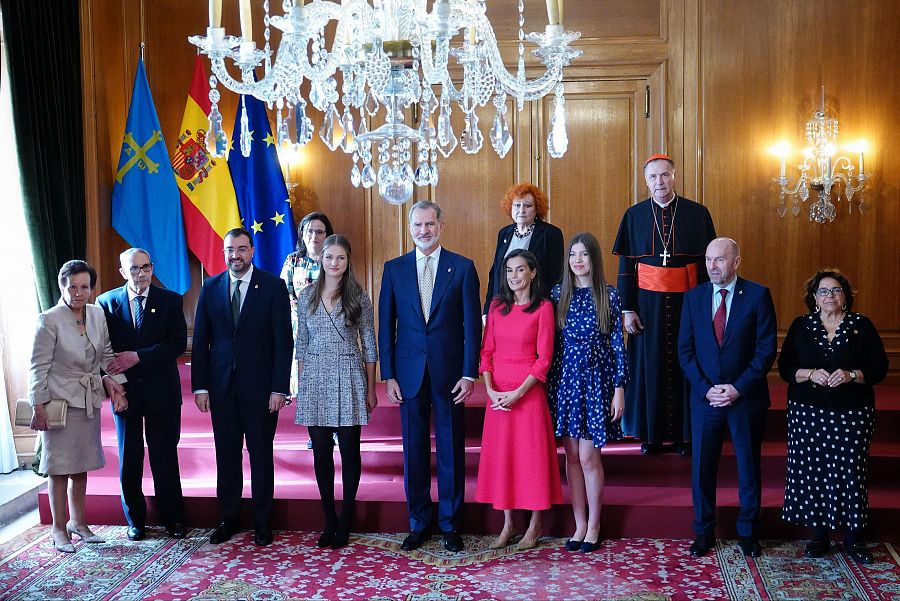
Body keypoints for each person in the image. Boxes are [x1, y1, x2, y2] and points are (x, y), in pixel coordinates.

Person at [378, 200, 482, 553]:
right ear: (410, 228)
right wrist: (388, 375)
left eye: (430, 224)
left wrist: (470, 374)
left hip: (450, 374)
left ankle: (451, 524)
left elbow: (472, 326)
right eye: (418, 225)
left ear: (441, 226)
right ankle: (419, 522)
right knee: (414, 450)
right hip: (408, 375)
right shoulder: (394, 269)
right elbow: (385, 327)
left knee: (451, 449)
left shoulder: (463, 268)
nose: (424, 231)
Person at [778, 269, 888, 565]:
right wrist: (810, 373)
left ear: (846, 296)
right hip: (807, 413)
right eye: (824, 291)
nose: (830, 296)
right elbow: (786, 367)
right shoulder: (801, 326)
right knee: (813, 473)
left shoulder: (861, 326)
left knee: (850, 473)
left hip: (851, 414)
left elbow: (880, 368)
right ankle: (819, 537)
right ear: (814, 297)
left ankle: (854, 538)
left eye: (836, 290)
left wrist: (852, 374)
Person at [192, 227, 293, 546]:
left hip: (262, 391)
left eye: (241, 249)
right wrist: (200, 387)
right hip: (222, 389)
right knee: (227, 456)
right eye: (229, 250)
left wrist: (280, 388)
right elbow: (201, 341)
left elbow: (283, 341)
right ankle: (228, 518)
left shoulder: (274, 287)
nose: (235, 255)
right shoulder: (211, 287)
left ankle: (263, 522)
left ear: (252, 251)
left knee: (261, 456)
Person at [678, 237, 776, 558]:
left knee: (748, 468)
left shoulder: (759, 296)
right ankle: (704, 531)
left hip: (745, 399)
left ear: (736, 261)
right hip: (704, 399)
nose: (712, 266)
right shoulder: (693, 298)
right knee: (702, 469)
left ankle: (748, 532)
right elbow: (685, 351)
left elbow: (765, 351)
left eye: (719, 260)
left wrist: (736, 388)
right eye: (708, 260)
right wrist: (707, 388)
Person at [614, 154, 717, 455]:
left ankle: (685, 435)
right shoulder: (634, 216)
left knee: (687, 363)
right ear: (646, 181)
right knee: (649, 365)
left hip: (689, 301)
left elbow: (707, 264)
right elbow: (625, 268)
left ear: (674, 176)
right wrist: (627, 309)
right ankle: (651, 435)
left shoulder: (697, 214)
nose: (660, 182)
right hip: (646, 305)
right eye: (653, 177)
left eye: (665, 176)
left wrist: (707, 306)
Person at [28, 260, 127, 553]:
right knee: (59, 469)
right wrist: (38, 406)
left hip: (87, 400)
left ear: (92, 288)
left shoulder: (97, 314)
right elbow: (37, 366)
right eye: (73, 287)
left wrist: (117, 384)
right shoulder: (49, 318)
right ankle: (59, 530)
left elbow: (107, 355)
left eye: (85, 287)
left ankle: (78, 523)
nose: (79, 292)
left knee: (80, 466)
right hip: (57, 402)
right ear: (62, 287)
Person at [97, 248, 188, 542]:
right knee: (130, 457)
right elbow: (101, 350)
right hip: (125, 391)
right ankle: (135, 520)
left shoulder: (170, 300)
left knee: (164, 456)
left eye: (146, 267)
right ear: (123, 272)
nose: (142, 273)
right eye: (134, 268)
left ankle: (173, 518)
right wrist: (112, 383)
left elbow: (176, 344)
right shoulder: (106, 303)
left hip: (162, 391)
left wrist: (139, 356)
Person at [295, 235, 378, 549]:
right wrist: (302, 388)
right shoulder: (306, 296)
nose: (334, 263)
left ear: (348, 260)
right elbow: (301, 345)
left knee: (349, 451)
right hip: (315, 377)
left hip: (348, 374)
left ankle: (346, 518)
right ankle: (328, 518)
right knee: (320, 453)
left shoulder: (358, 296)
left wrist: (371, 390)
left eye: (340, 258)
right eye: (329, 257)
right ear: (321, 259)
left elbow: (369, 346)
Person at [476, 250, 560, 551]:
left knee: (531, 460)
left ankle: (535, 525)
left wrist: (517, 394)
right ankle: (509, 523)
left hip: (528, 394)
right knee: (504, 460)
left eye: (520, 269)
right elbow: (485, 353)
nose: (513, 276)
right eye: (509, 270)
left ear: (533, 273)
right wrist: (491, 390)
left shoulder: (544, 308)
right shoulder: (497, 306)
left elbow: (544, 359)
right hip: (498, 395)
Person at [548, 233, 628, 553]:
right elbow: (552, 345)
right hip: (566, 380)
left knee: (588, 456)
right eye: (573, 255)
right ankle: (579, 523)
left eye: (584, 254)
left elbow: (618, 345)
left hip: (598, 381)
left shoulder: (608, 295)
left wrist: (619, 388)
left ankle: (595, 523)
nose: (578, 260)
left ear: (594, 259)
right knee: (570, 457)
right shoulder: (558, 295)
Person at [281, 212, 335, 450]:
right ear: (302, 235)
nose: (314, 236)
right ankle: (316, 432)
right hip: (302, 331)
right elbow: (284, 293)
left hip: (333, 330)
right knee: (310, 384)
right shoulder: (293, 261)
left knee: (332, 382)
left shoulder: (334, 258)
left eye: (320, 231)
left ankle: (335, 429)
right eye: (309, 231)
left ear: (328, 235)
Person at [483, 183, 564, 316]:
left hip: (535, 308)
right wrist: (487, 310)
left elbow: (557, 277)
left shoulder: (551, 234)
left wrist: (552, 312)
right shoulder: (504, 233)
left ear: (537, 208)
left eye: (527, 205)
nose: (521, 210)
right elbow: (495, 274)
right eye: (517, 205)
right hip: (504, 307)